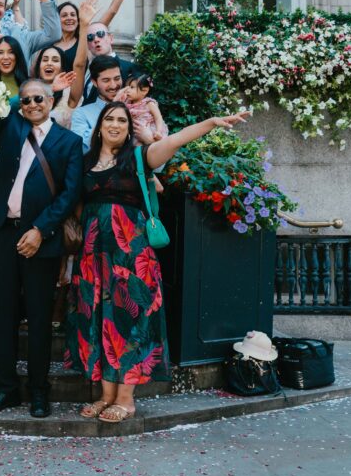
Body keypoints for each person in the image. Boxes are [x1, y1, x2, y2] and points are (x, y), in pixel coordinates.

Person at [65, 103, 251, 423]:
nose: (115, 124)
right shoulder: (84, 164)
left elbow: (174, 141)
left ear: (128, 128)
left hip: (131, 256)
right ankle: (106, 394)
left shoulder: (138, 158)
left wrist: (210, 121)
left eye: (122, 120)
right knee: (100, 322)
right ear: (98, 126)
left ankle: (126, 399)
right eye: (109, 118)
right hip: (95, 259)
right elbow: (80, 207)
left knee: (129, 321)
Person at [0, 79, 84, 418]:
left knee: (39, 319)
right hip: (5, 233)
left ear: (51, 101)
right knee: (4, 316)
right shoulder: (11, 127)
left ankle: (39, 391)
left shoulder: (70, 142)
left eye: (39, 98)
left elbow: (69, 195)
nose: (32, 104)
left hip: (42, 237)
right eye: (25, 100)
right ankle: (5, 389)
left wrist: (40, 229)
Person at [51, 0, 134, 72]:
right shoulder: (50, 42)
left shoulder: (86, 37)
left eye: (73, 15)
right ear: (57, 19)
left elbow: (112, 10)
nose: (69, 18)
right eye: (64, 15)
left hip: (79, 89)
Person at [31, 0, 98, 128]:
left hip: (73, 92)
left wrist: (85, 25)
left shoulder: (70, 97)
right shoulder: (31, 93)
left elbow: (79, 65)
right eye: (64, 15)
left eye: (73, 15)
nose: (50, 63)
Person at [71, 55, 123, 153]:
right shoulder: (81, 114)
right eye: (106, 80)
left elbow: (159, 167)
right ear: (94, 82)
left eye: (117, 78)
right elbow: (80, 150)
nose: (113, 85)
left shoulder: (137, 107)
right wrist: (113, 108)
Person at [82, 22, 137, 104]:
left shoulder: (130, 68)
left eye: (100, 34)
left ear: (111, 38)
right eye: (90, 37)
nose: (96, 40)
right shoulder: (87, 71)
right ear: (88, 45)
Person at [115, 72, 168, 143]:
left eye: (132, 87)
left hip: (150, 131)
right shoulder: (127, 102)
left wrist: (158, 131)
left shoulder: (149, 103)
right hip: (134, 133)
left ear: (144, 90)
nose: (127, 90)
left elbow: (158, 118)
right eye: (126, 87)